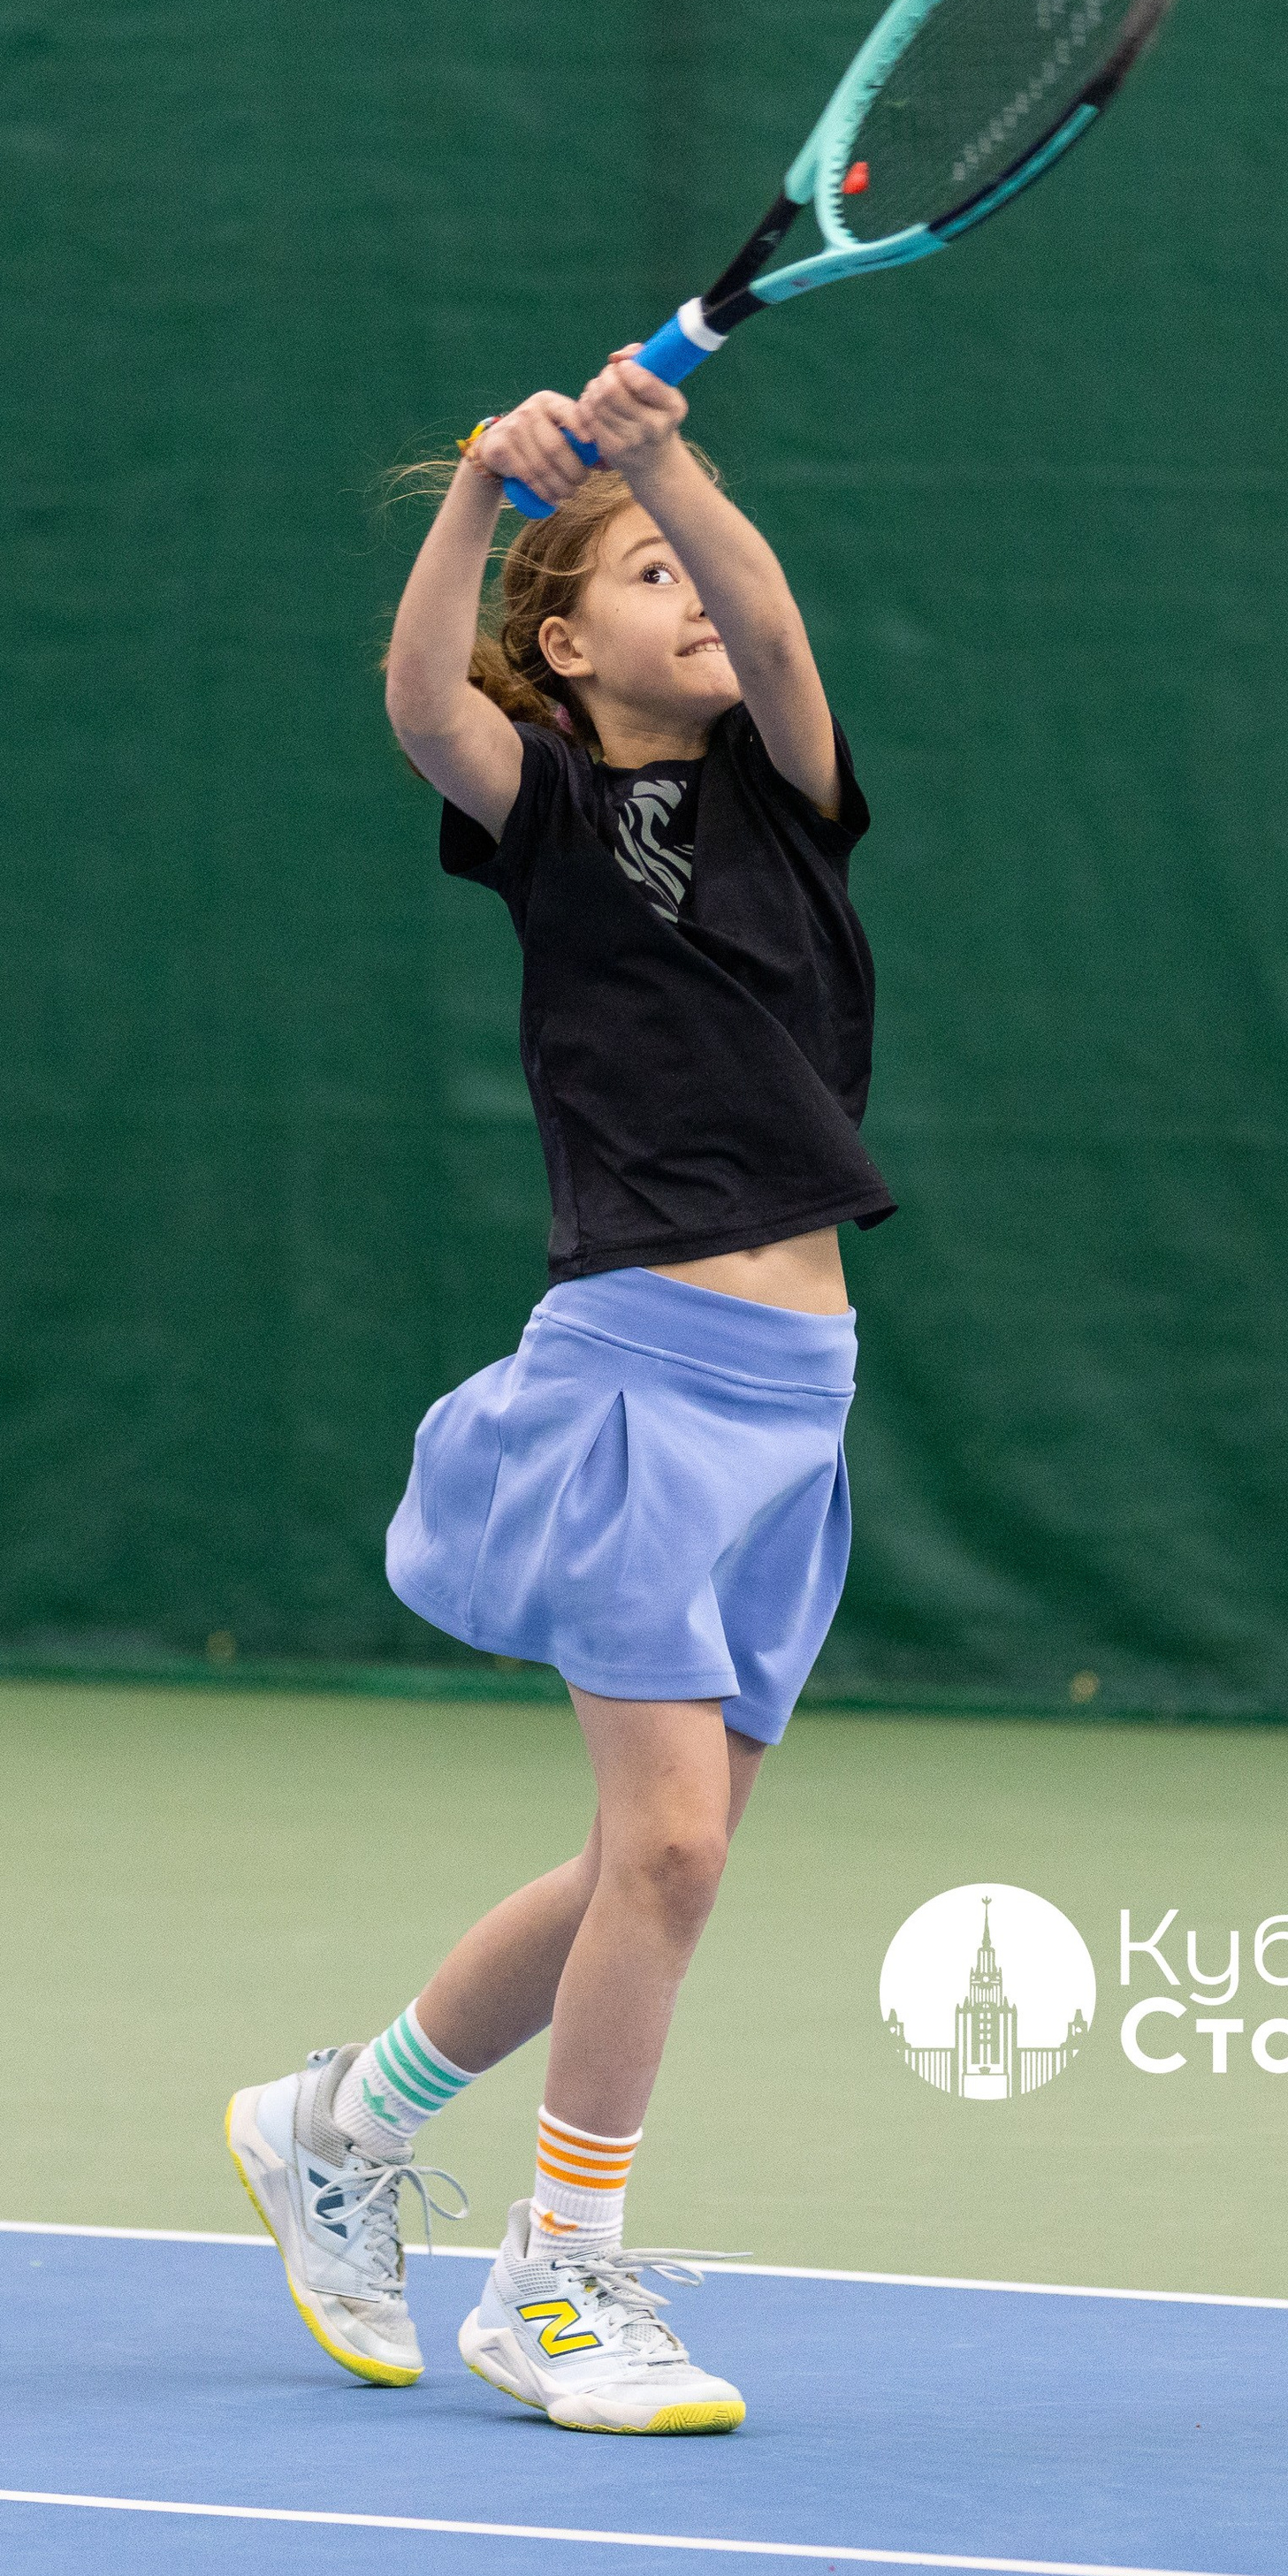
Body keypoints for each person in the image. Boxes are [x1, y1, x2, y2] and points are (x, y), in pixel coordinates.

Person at [226, 349, 892, 2435]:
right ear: (560, 634)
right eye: (636, 575)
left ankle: (338, 2115)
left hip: (799, 1400)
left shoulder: (784, 787)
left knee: (643, 1866)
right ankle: (559, 2276)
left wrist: (653, 454)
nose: (688, 596)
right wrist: (484, 497)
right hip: (631, 1378)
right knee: (671, 1852)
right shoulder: (548, 817)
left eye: (685, 565)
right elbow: (428, 702)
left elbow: (772, 615)